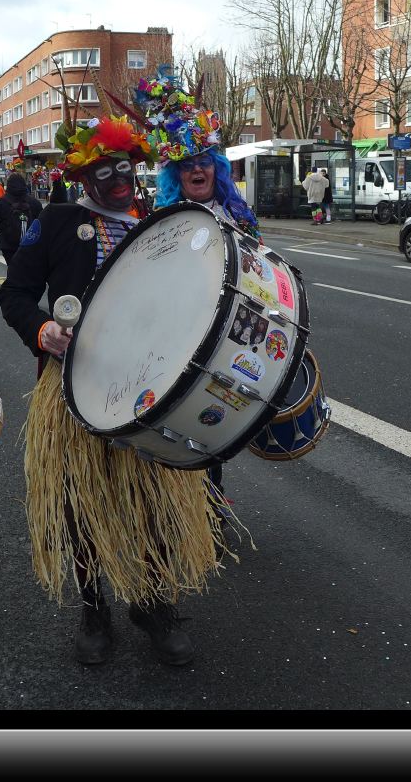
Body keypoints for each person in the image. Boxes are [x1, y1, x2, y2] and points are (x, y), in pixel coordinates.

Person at [0, 111, 220, 668]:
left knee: (155, 498)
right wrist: (42, 330)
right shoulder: (56, 222)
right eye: (104, 170)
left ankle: (153, 602)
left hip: (154, 388)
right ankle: (94, 608)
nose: (118, 179)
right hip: (76, 388)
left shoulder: (160, 221)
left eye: (125, 168)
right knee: (81, 501)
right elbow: (14, 294)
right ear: (82, 176)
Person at [131, 66, 261, 526]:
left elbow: (259, 265)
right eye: (187, 164)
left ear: (216, 167)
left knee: (215, 414)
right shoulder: (162, 219)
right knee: (174, 418)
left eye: (204, 160)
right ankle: (176, 508)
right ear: (175, 173)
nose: (197, 170)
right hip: (175, 334)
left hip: (227, 330)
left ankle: (211, 499)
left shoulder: (236, 212)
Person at [0, 171, 43, 265]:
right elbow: (42, 223)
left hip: (9, 246)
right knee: (29, 270)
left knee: (13, 269)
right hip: (30, 244)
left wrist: (3, 229)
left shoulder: (0, 203)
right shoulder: (34, 203)